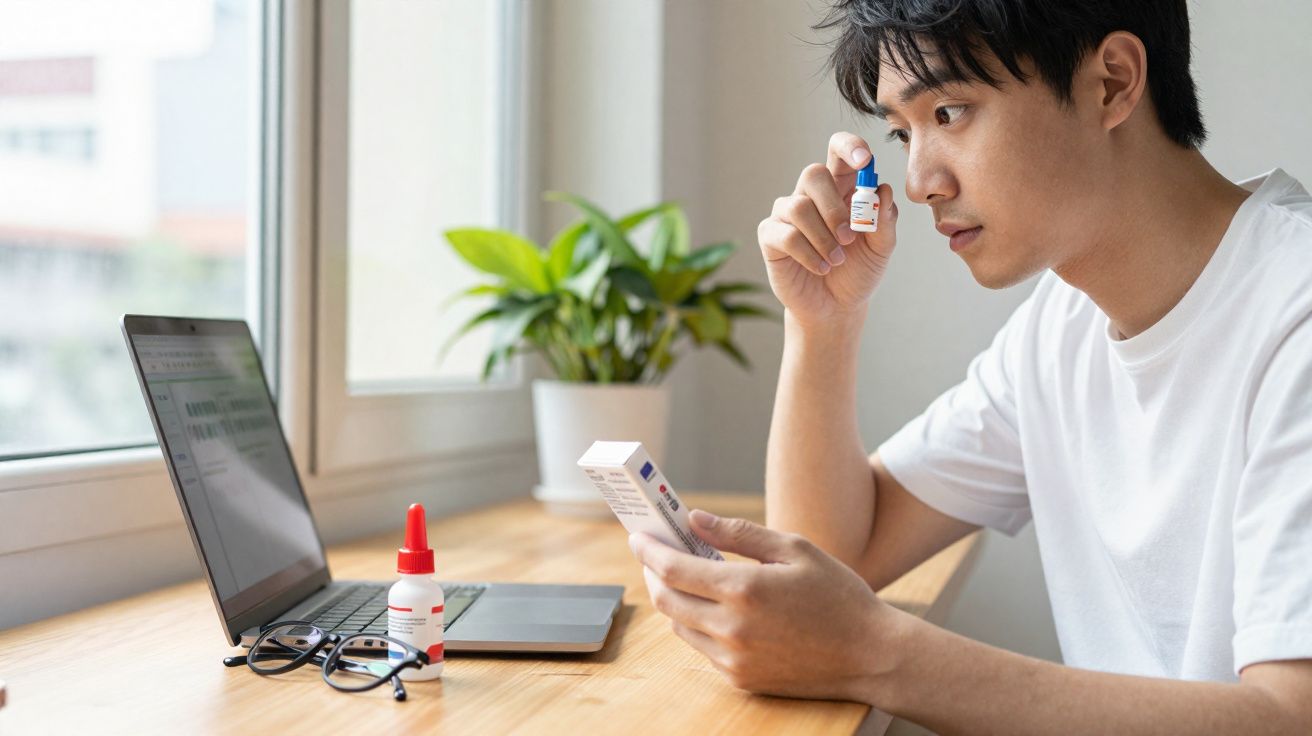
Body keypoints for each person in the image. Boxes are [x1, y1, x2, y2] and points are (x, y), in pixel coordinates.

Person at [626, 1, 1312, 731]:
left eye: (950, 112)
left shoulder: (1293, 315)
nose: (920, 182)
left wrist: (876, 653)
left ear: (1112, 82)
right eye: (901, 133)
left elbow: (1289, 716)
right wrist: (824, 322)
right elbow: (829, 558)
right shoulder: (1059, 329)